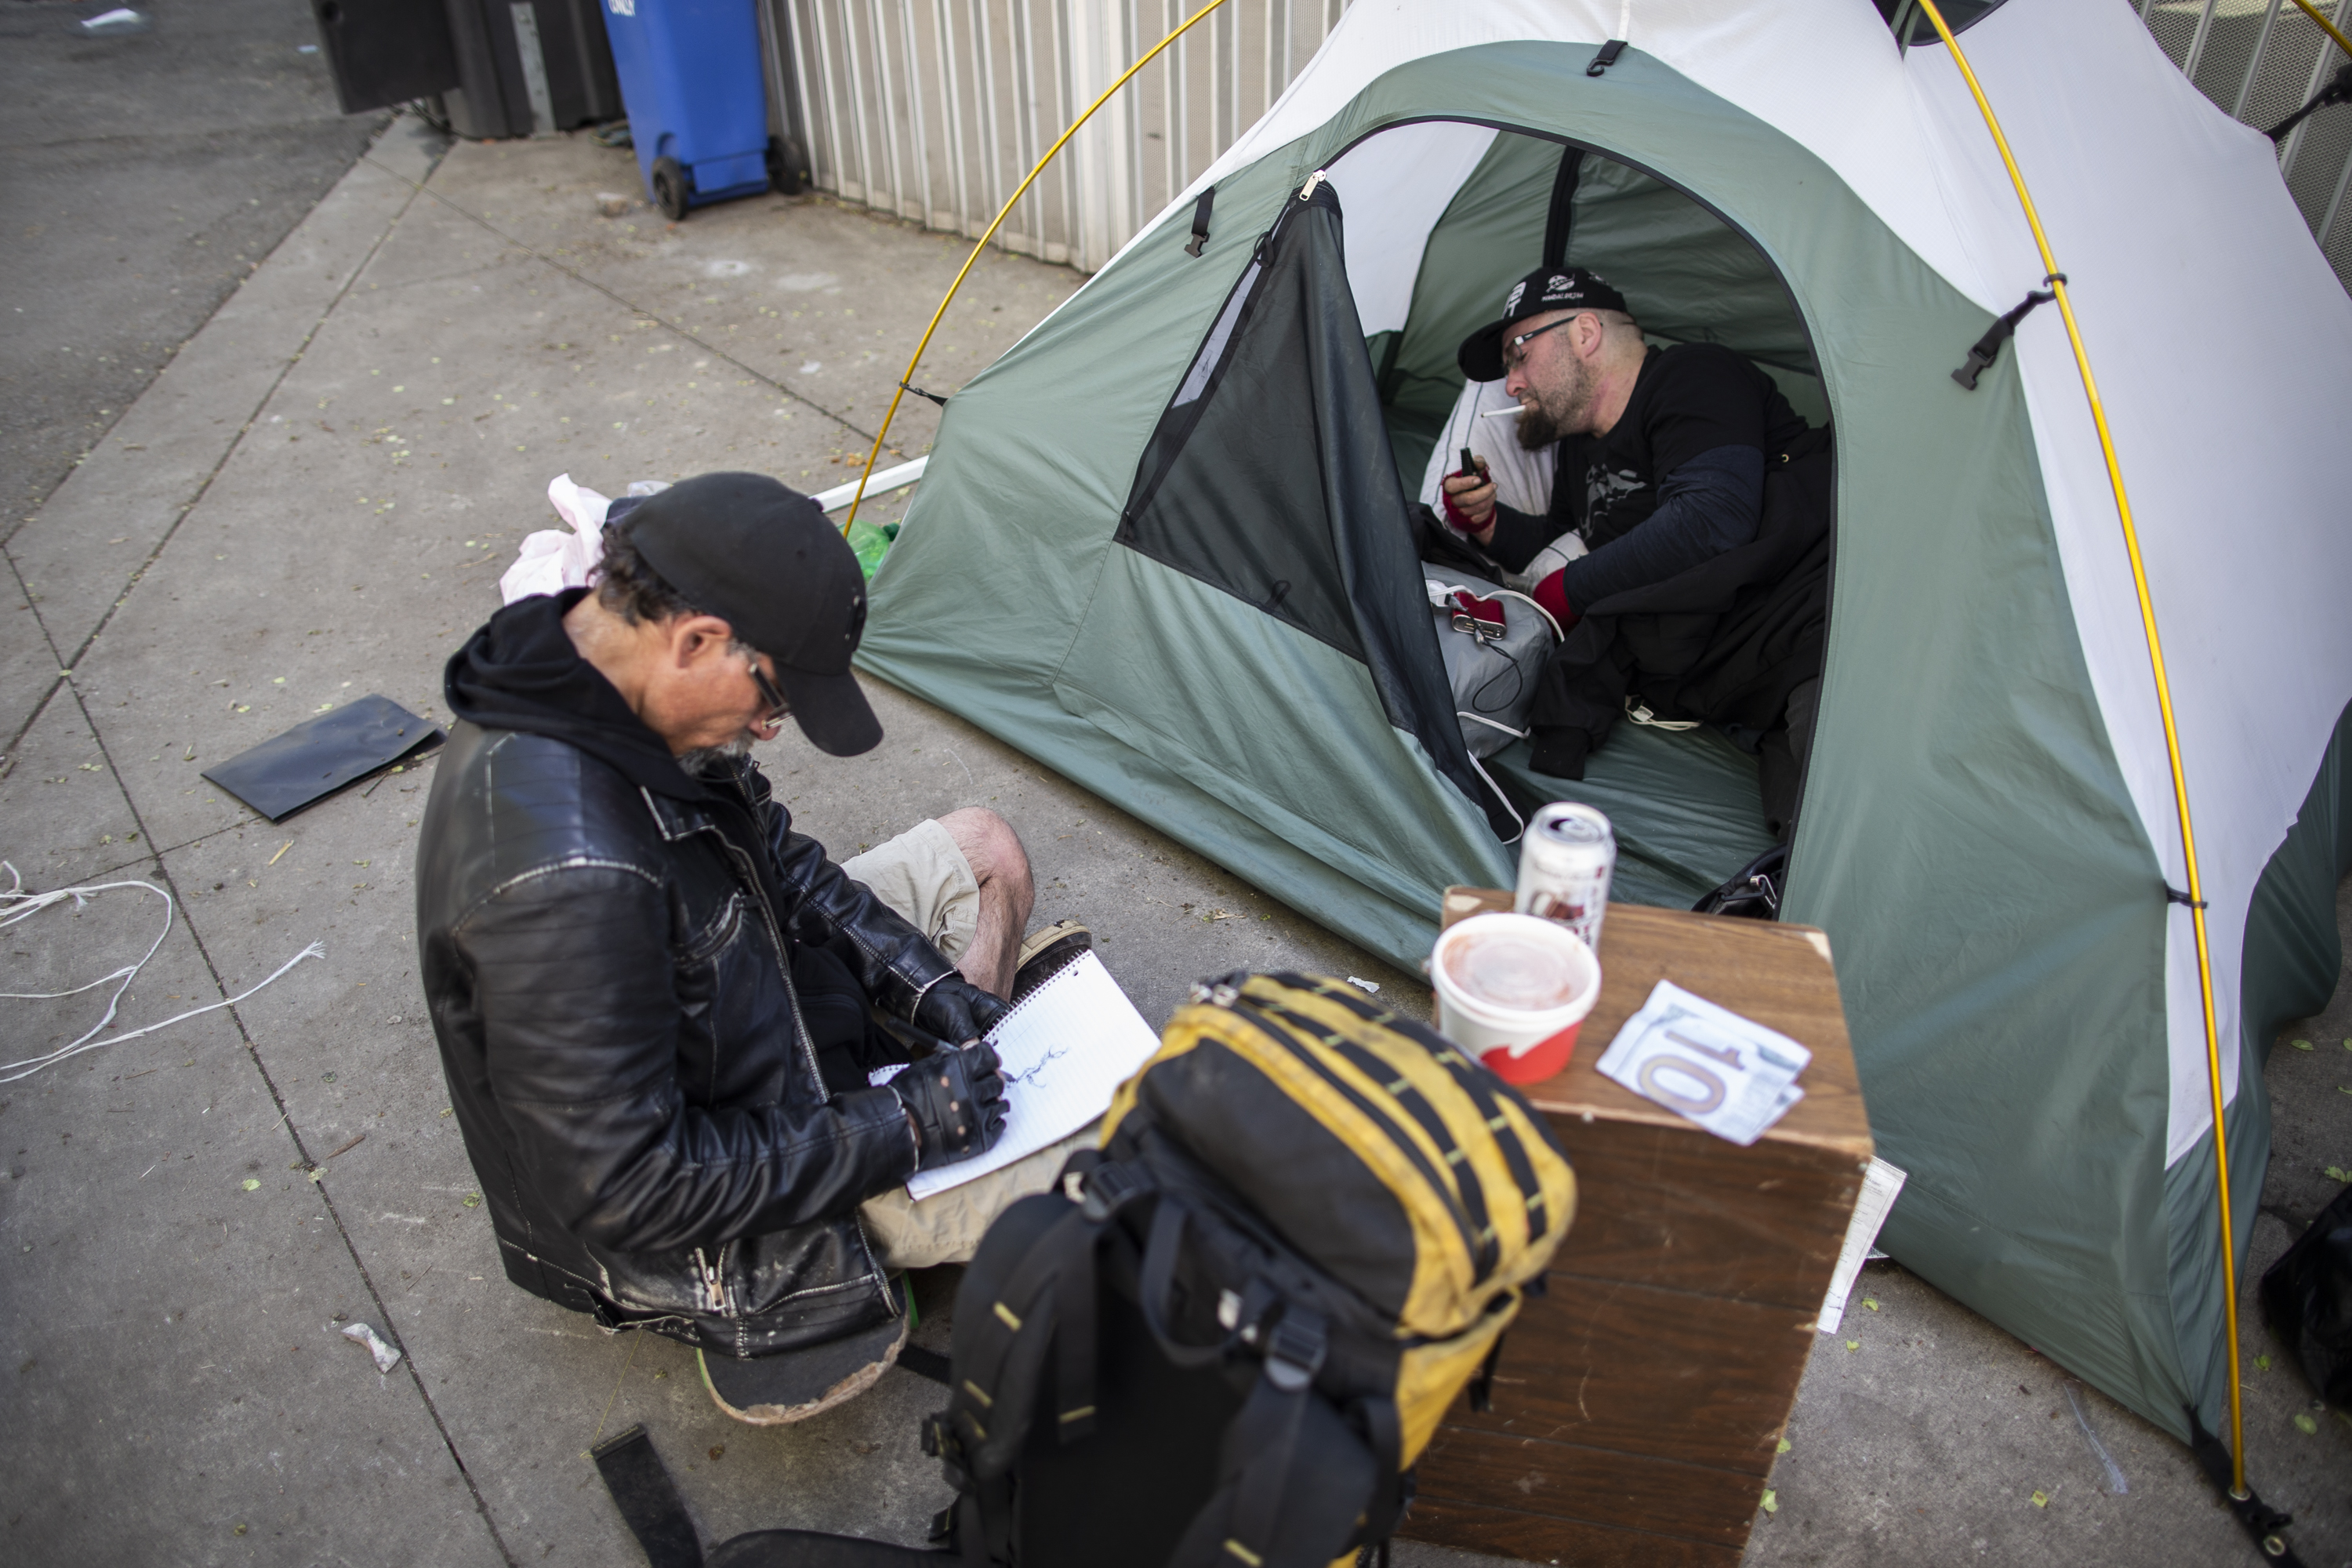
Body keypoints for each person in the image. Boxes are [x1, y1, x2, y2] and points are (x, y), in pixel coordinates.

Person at [415, 471, 1086, 1427]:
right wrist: (903, 1124)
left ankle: (969, 1070)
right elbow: (632, 1185)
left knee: (986, 845)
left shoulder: (596, 670)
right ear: (694, 640)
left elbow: (775, 858)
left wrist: (932, 991)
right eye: (772, 693)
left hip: (740, 988)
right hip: (715, 1216)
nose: (774, 727)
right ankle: (904, 1194)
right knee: (1129, 1156)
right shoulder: (566, 883)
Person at [1433, 266, 1832, 833]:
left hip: (1811, 630)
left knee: (1837, 821)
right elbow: (1570, 541)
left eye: (1517, 354)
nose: (1513, 384)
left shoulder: (1693, 377)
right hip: (1743, 674)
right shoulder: (1579, 450)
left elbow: (1713, 517)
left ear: (1586, 332)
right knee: (1798, 841)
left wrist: (1566, 592)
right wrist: (1487, 522)